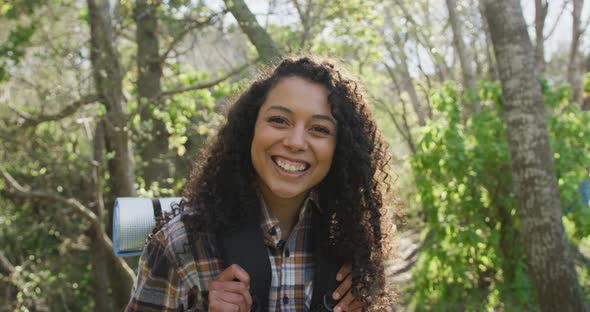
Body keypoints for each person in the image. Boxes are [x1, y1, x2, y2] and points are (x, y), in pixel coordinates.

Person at [126, 56, 394, 311]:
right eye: (279, 120)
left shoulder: (355, 245)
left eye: (320, 129)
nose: (295, 142)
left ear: (341, 148)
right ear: (250, 128)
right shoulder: (182, 245)